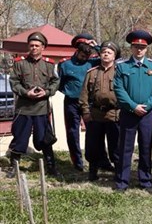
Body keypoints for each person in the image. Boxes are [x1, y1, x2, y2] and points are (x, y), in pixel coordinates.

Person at [113, 30, 152, 194]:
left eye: (142, 47)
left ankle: (145, 180)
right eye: (136, 46)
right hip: (129, 113)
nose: (139, 50)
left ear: (147, 48)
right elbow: (119, 89)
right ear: (131, 48)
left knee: (146, 146)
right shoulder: (122, 67)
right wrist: (133, 106)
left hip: (147, 114)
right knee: (125, 148)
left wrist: (147, 106)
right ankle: (122, 182)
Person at [6, 32, 60, 178]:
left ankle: (51, 167)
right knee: (19, 138)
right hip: (24, 108)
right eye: (31, 45)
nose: (34, 48)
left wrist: (47, 92)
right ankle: (13, 166)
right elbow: (14, 82)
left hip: (42, 108)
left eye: (37, 45)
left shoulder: (49, 64)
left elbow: (55, 81)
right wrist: (25, 92)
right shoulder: (20, 63)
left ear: (43, 47)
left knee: (45, 139)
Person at [79, 41, 122, 181]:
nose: (105, 54)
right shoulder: (92, 73)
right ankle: (93, 172)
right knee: (93, 145)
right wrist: (85, 112)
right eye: (103, 52)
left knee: (115, 145)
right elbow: (84, 94)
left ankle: (118, 173)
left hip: (114, 114)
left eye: (109, 52)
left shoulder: (120, 72)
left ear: (114, 56)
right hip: (95, 115)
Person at [58, 33, 100, 171]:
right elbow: (59, 83)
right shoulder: (65, 64)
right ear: (77, 50)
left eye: (87, 55)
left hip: (89, 103)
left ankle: (94, 160)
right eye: (83, 54)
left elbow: (113, 57)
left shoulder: (93, 62)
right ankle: (77, 162)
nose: (85, 58)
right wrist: (69, 92)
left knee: (93, 132)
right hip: (71, 102)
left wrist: (97, 46)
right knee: (72, 132)